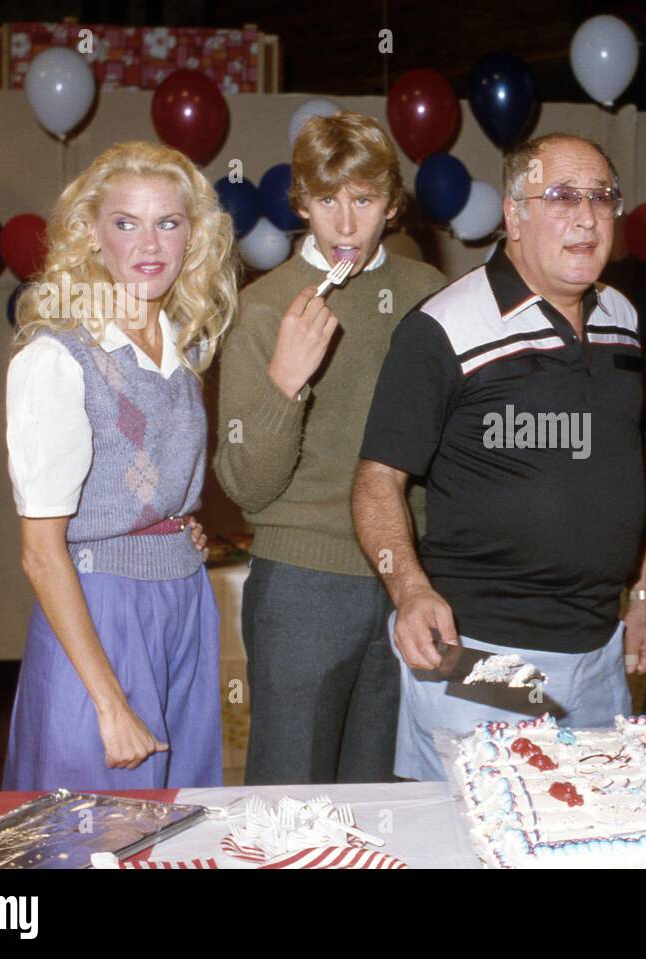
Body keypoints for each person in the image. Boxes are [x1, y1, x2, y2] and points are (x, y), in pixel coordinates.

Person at [352, 133, 646, 781]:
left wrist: (643, 588)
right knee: (484, 838)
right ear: (513, 214)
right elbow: (377, 479)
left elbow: (627, 468)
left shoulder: (623, 318)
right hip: (488, 653)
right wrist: (408, 589)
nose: (586, 217)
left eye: (601, 198)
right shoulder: (444, 326)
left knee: (591, 841)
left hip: (601, 657)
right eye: (562, 197)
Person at [214, 112, 445, 784]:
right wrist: (285, 383)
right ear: (301, 203)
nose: (345, 225)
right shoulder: (265, 308)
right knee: (292, 799)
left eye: (364, 201)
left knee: (384, 805)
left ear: (393, 204)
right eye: (326, 201)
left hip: (410, 576)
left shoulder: (428, 292)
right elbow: (245, 485)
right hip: (303, 584)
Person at [3, 140, 237, 790]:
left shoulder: (180, 352)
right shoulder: (57, 358)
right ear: (92, 236)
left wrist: (175, 526)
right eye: (125, 222)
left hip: (183, 604)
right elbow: (41, 552)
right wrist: (108, 701)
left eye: (169, 221)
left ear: (194, 236)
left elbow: (155, 489)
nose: (150, 242)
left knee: (177, 826)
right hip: (99, 611)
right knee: (92, 832)